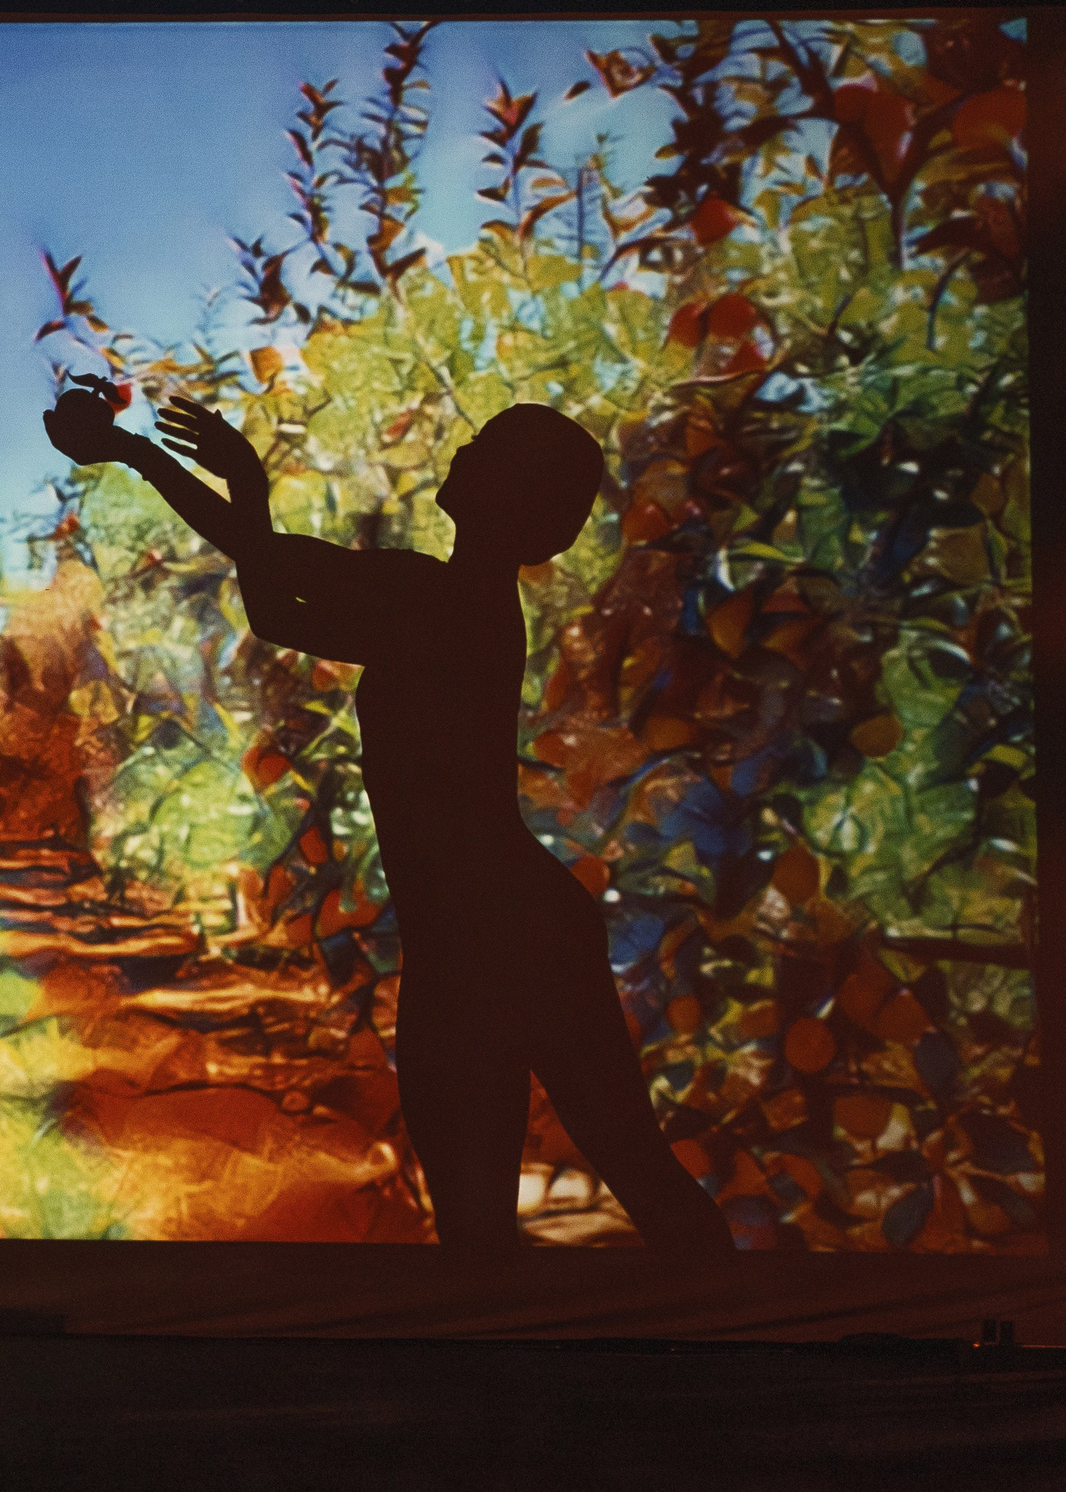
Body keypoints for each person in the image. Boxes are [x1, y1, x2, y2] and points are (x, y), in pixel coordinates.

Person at [43, 380, 733, 1252]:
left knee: (541, 1201)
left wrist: (175, 465)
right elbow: (270, 593)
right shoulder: (451, 598)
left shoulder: (435, 600)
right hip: (495, 928)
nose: (465, 452)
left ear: (514, 501)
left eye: (486, 448)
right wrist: (162, 463)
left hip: (490, 934)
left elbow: (270, 568)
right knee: (599, 1177)